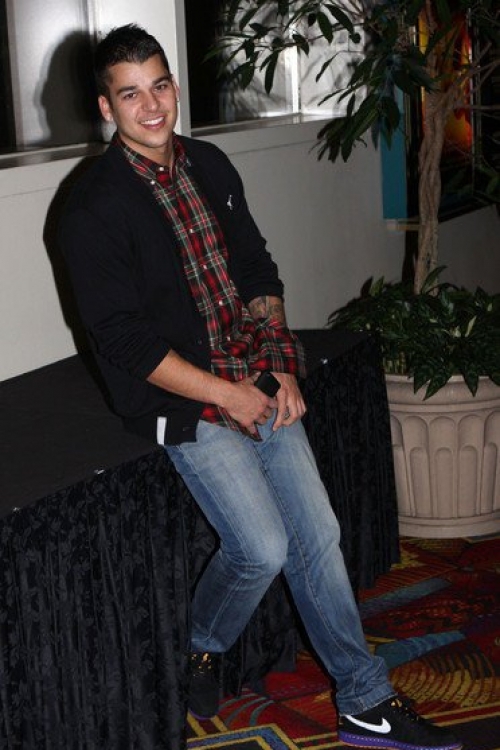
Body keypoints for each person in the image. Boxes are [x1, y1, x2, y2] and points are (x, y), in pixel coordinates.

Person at [59, 24, 462, 750]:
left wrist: (277, 367)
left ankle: (364, 698)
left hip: (253, 373)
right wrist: (227, 395)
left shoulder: (209, 164)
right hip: (182, 400)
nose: (152, 106)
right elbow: (125, 343)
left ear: (173, 86)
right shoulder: (90, 206)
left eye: (160, 85)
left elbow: (255, 269)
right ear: (105, 107)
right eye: (131, 94)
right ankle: (204, 643)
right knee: (264, 548)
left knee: (320, 535)